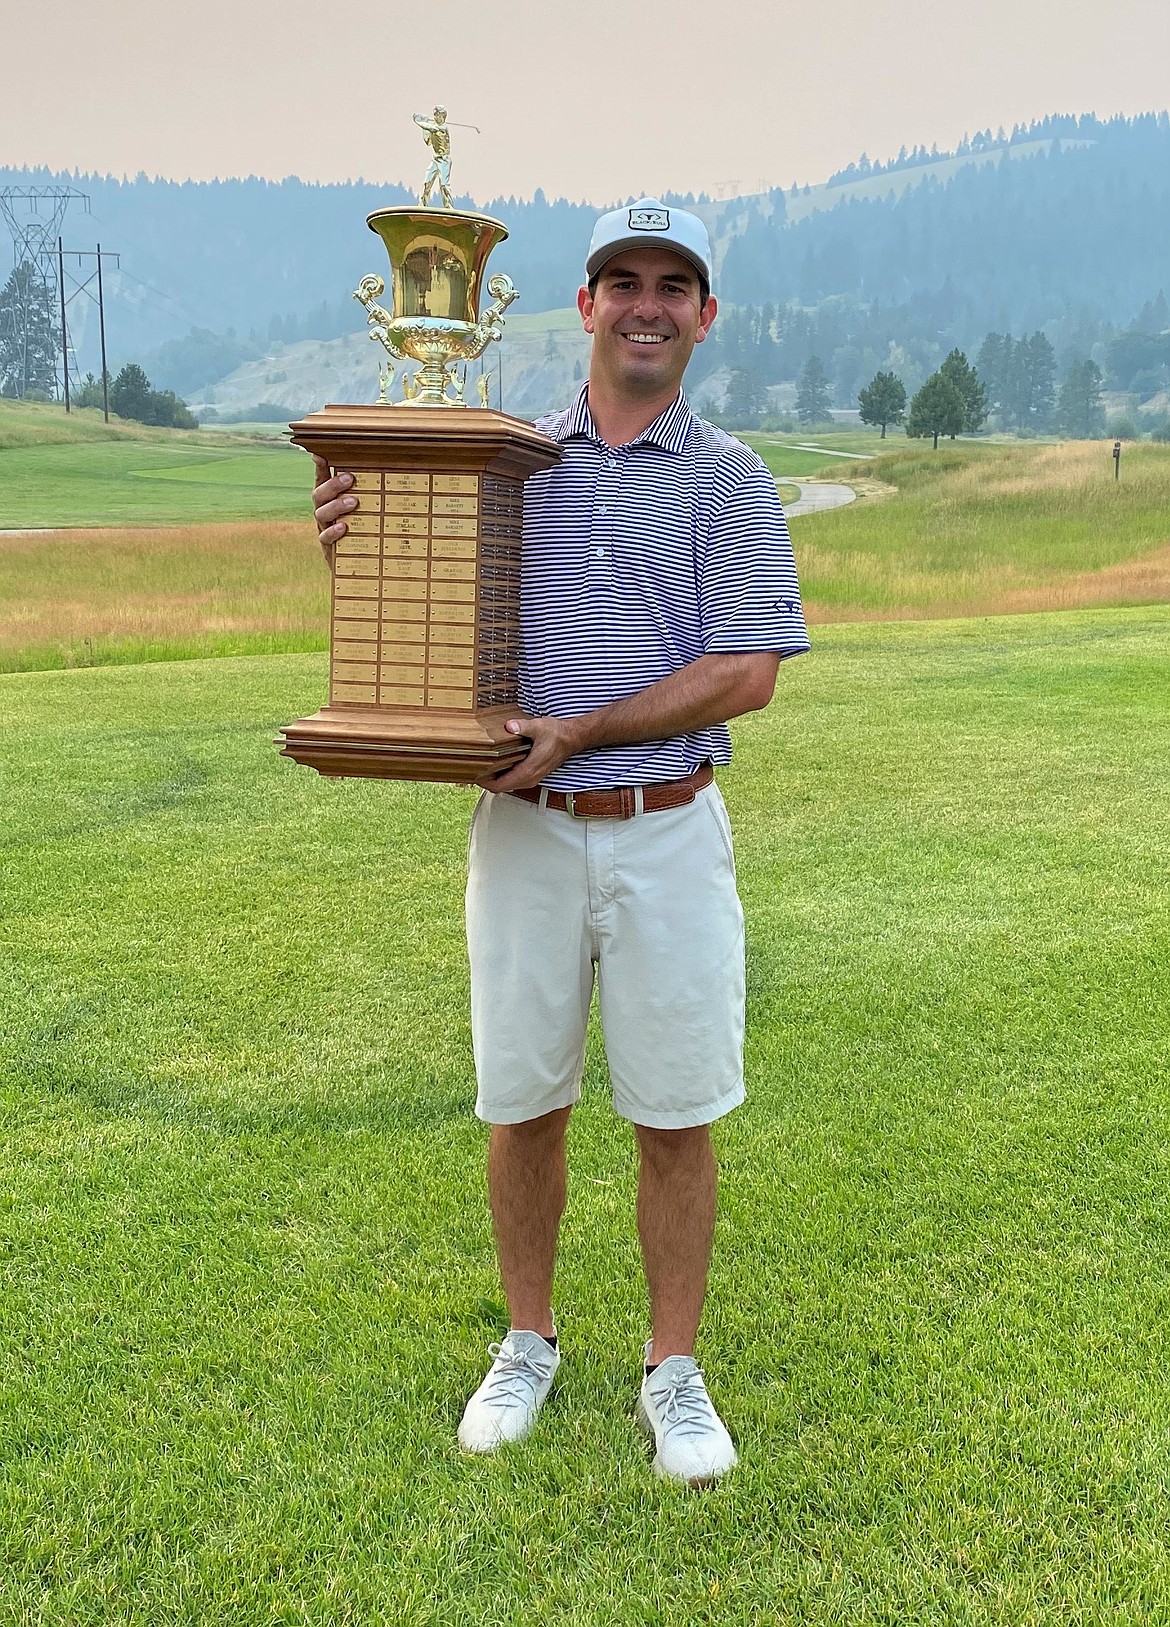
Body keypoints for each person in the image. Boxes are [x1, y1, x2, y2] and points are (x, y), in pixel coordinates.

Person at [312, 198, 809, 1486]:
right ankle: (527, 1339)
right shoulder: (508, 462)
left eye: (672, 286)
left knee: (676, 1110)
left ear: (703, 317)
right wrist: (368, 536)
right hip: (524, 831)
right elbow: (433, 595)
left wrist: (582, 730)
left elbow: (747, 671)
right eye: (622, 282)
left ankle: (673, 1368)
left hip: (666, 830)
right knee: (523, 1101)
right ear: (583, 307)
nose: (647, 306)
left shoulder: (733, 477)